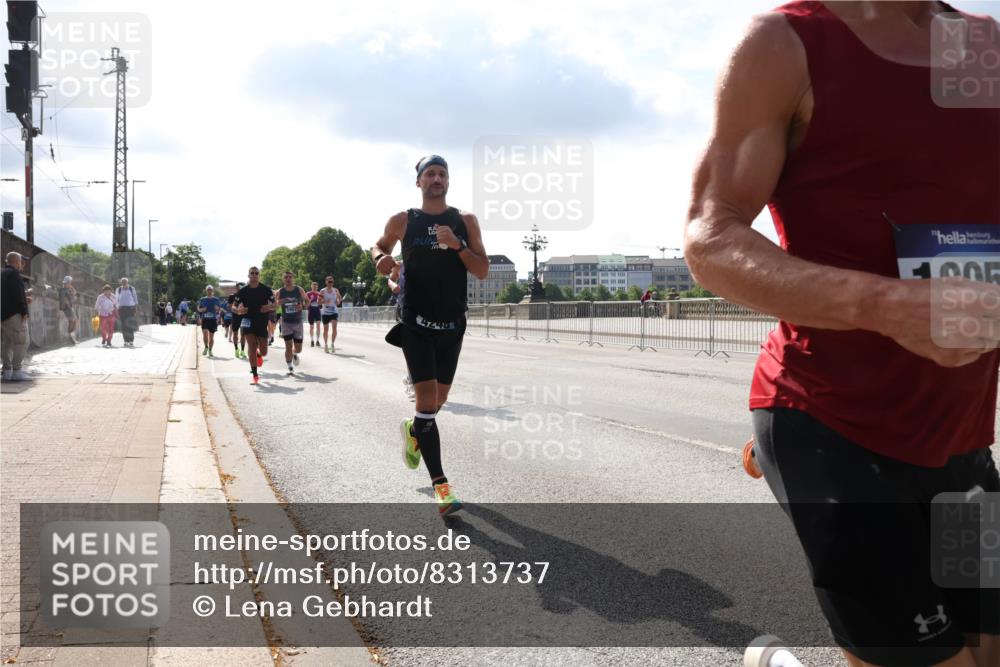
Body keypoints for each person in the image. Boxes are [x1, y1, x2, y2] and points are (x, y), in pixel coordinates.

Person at [683, 3, 1000, 666]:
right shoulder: (785, 44)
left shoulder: (984, 45)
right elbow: (711, 238)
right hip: (833, 423)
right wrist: (883, 305)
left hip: (961, 433)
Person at [372, 154, 489, 516]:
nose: (436, 179)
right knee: (426, 404)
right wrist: (379, 259)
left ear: (448, 181)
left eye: (442, 174)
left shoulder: (465, 221)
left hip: (452, 325)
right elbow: (379, 246)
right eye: (430, 174)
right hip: (416, 323)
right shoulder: (404, 220)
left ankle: (414, 430)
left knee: (438, 401)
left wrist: (458, 246)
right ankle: (442, 487)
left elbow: (482, 270)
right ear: (419, 181)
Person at [232, 267, 275, 385]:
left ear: (259, 275)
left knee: (264, 352)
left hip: (261, 321)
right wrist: (238, 311)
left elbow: (275, 304)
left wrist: (269, 307)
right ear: (248, 275)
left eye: (256, 273)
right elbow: (233, 307)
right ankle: (255, 375)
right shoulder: (243, 291)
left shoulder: (266, 290)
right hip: (247, 320)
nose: (254, 275)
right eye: (252, 273)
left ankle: (259, 353)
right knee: (251, 346)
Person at [1, 252, 31, 381]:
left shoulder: (2, 273)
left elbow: (8, 293)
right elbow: (17, 294)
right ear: (17, 262)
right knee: (22, 341)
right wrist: (24, 311)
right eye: (21, 262)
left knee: (6, 343)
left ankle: (7, 370)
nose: (22, 264)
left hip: (3, 315)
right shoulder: (14, 274)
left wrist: (24, 298)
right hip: (14, 314)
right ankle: (17, 370)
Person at [389, 262, 415, 400]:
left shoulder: (429, 261)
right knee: (412, 348)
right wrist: (393, 285)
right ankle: (412, 383)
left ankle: (412, 379)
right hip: (405, 309)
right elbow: (390, 279)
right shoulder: (399, 265)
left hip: (427, 310)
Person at [275, 271, 308, 375]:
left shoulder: (299, 290)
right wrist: (280, 301)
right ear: (283, 279)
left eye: (290, 277)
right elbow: (274, 305)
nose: (288, 279)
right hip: (286, 323)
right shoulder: (280, 292)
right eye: (286, 277)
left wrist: (302, 306)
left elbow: (307, 301)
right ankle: (290, 367)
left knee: (299, 349)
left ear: (293, 279)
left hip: (298, 322)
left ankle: (294, 353)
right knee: (288, 346)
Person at [197, 285, 223, 357]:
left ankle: (210, 350)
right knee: (205, 335)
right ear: (206, 291)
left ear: (212, 291)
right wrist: (202, 310)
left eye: (210, 290)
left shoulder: (216, 299)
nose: (209, 291)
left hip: (212, 320)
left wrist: (217, 308)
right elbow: (198, 309)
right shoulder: (202, 299)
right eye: (208, 290)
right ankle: (206, 347)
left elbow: (220, 309)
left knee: (211, 337)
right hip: (205, 319)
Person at [319, 276, 342, 353]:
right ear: (326, 282)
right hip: (325, 312)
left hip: (334, 312)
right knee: (326, 330)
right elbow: (318, 302)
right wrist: (325, 302)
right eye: (329, 282)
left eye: (332, 282)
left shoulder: (335, 290)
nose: (330, 283)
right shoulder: (322, 291)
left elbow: (339, 298)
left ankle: (332, 344)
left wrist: (338, 300)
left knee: (334, 329)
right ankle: (326, 345)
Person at [115, 278, 139, 346]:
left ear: (127, 282)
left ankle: (131, 340)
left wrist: (136, 308)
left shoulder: (132, 288)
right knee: (124, 325)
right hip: (122, 309)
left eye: (125, 282)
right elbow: (116, 300)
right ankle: (126, 341)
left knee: (130, 324)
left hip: (130, 308)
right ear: (121, 283)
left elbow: (135, 298)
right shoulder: (118, 289)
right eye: (122, 282)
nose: (124, 283)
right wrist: (116, 309)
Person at [58, 275, 79, 345]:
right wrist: (63, 309)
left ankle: (71, 337)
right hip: (66, 308)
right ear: (67, 282)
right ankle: (70, 337)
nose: (70, 284)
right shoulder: (63, 290)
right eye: (69, 282)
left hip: (69, 307)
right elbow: (63, 300)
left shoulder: (68, 289)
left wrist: (71, 287)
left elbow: (75, 293)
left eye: (70, 282)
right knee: (72, 321)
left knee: (74, 321)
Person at [229, 283, 247, 358]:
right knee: (235, 334)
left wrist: (244, 310)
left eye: (242, 287)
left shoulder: (247, 296)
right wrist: (238, 311)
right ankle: (236, 349)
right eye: (239, 287)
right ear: (236, 288)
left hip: (244, 317)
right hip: (235, 317)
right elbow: (231, 307)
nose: (240, 289)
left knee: (243, 334)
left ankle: (242, 351)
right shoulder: (232, 296)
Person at [306, 281, 322, 347]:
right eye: (313, 286)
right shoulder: (308, 294)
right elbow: (306, 304)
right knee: (311, 326)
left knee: (318, 325)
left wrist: (319, 301)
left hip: (317, 310)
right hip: (311, 310)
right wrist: (311, 299)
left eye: (316, 286)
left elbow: (321, 303)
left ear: (317, 287)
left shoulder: (319, 293)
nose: (315, 287)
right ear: (311, 286)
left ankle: (317, 340)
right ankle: (312, 340)